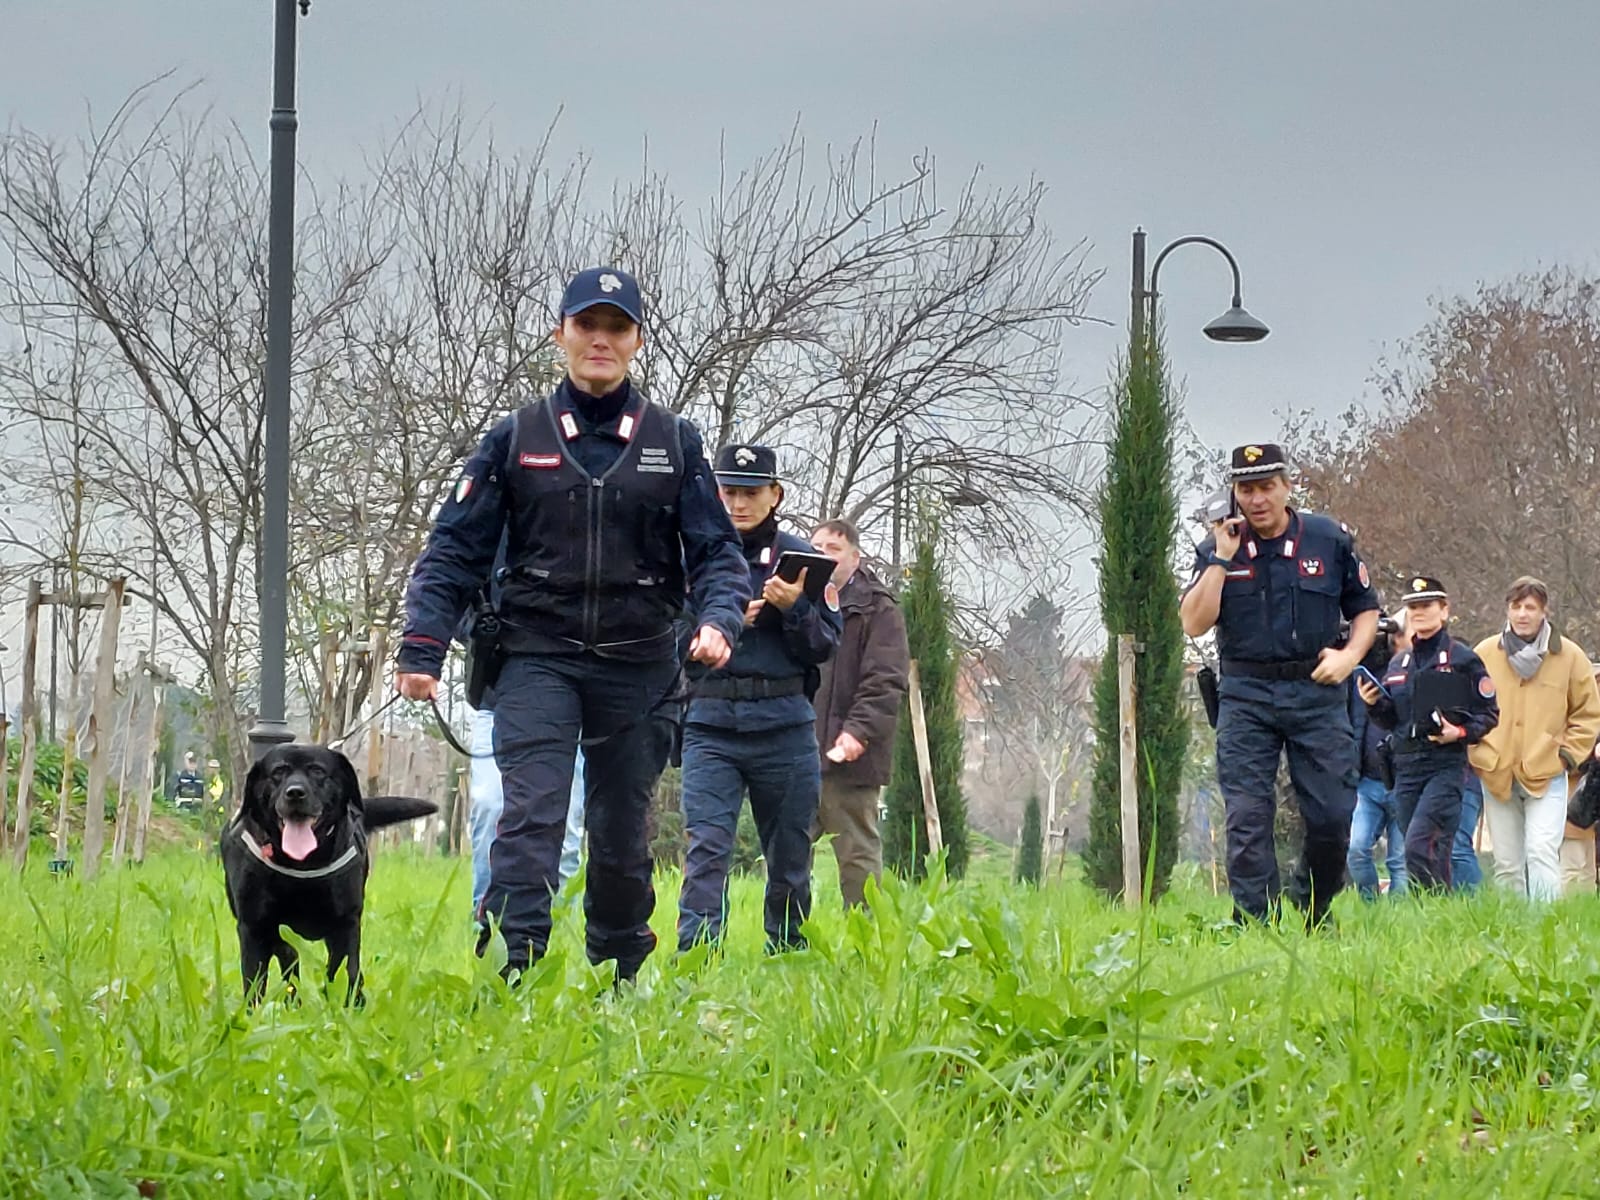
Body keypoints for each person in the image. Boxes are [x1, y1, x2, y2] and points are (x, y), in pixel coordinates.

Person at [396, 266, 750, 983]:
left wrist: (718, 622)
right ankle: (510, 974)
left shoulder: (674, 443)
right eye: (586, 324)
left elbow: (717, 552)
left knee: (623, 838)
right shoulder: (514, 438)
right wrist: (423, 647)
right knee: (529, 822)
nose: (600, 340)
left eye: (616, 327)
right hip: (535, 658)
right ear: (560, 333)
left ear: (637, 341)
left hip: (640, 666)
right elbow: (454, 549)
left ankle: (619, 976)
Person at [1180, 442, 1380, 927]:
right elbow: (1192, 623)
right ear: (1234, 493)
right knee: (1247, 816)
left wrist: (1350, 656)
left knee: (1334, 813)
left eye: (1266, 487)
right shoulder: (1217, 547)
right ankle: (1253, 921)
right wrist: (1221, 560)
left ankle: (1314, 904)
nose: (1257, 499)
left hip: (1317, 689)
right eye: (1246, 489)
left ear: (1287, 486)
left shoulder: (1327, 539)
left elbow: (1366, 610)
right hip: (1246, 695)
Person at [676, 445, 841, 954]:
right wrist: (716, 624)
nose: (739, 504)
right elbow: (661, 639)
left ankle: (788, 956)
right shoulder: (689, 558)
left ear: (775, 495)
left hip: (784, 726)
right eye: (729, 492)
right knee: (706, 850)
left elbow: (824, 647)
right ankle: (697, 959)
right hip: (711, 723)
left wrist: (795, 610)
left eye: (751, 493)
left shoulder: (805, 564)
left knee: (791, 855)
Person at [1357, 576, 1498, 891]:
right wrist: (1373, 704)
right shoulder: (1399, 662)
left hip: (1445, 765)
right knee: (1418, 853)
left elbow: (1489, 714)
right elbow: (1393, 719)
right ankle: (1434, 913)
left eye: (1425, 606)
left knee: (1421, 846)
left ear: (1444, 610)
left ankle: (1440, 906)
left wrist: (1459, 732)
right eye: (1412, 607)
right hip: (1405, 767)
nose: (1418, 613)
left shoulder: (1463, 659)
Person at [1468, 577, 1600, 901]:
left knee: (1542, 851)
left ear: (1544, 611)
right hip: (1497, 771)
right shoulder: (1484, 653)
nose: (1523, 614)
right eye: (1516, 606)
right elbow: (1465, 705)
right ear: (1507, 609)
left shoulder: (1570, 656)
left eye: (1530, 607)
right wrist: (1478, 750)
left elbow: (1587, 712)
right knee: (1507, 864)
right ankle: (1513, 932)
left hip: (1547, 771)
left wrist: (1567, 756)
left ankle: (1544, 930)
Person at [808, 517, 910, 909]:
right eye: (816, 548)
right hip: (797, 751)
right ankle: (784, 941)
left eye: (832, 550)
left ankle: (866, 943)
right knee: (784, 853)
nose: (823, 557)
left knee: (857, 858)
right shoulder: (795, 599)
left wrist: (857, 733)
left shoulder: (879, 610)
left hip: (851, 757)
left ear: (856, 557)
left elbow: (885, 681)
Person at [1346, 615, 1408, 901]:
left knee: (1400, 862)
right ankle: (1370, 909)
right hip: (1368, 781)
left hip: (1406, 781)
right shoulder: (1368, 673)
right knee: (1356, 850)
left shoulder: (1424, 670)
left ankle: (1399, 924)